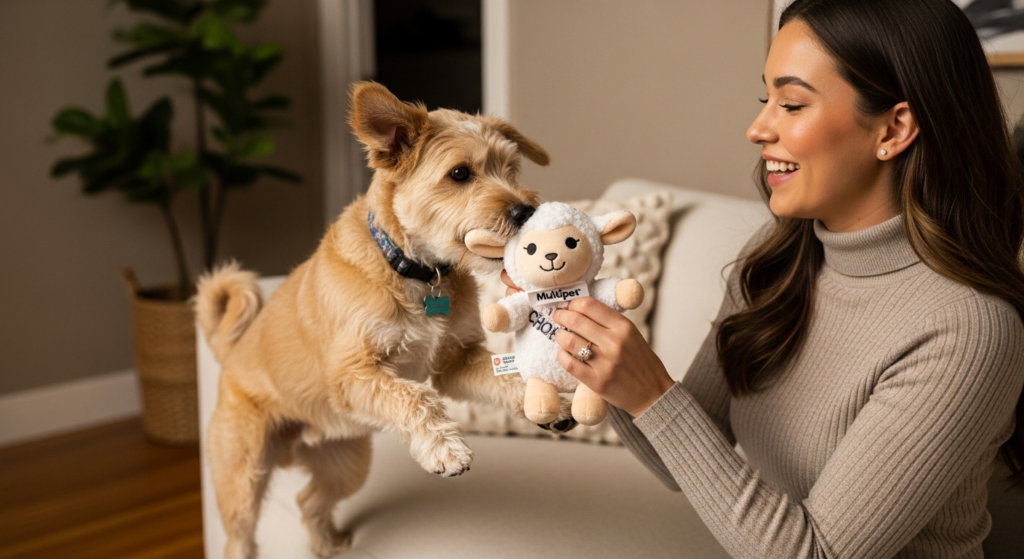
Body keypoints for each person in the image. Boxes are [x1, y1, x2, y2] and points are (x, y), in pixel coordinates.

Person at [502, 0, 1024, 556]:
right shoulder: (778, 263)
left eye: (792, 104)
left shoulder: (969, 330)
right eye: (765, 100)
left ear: (893, 129)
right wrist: (589, 344)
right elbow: (675, 459)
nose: (757, 129)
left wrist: (652, 391)